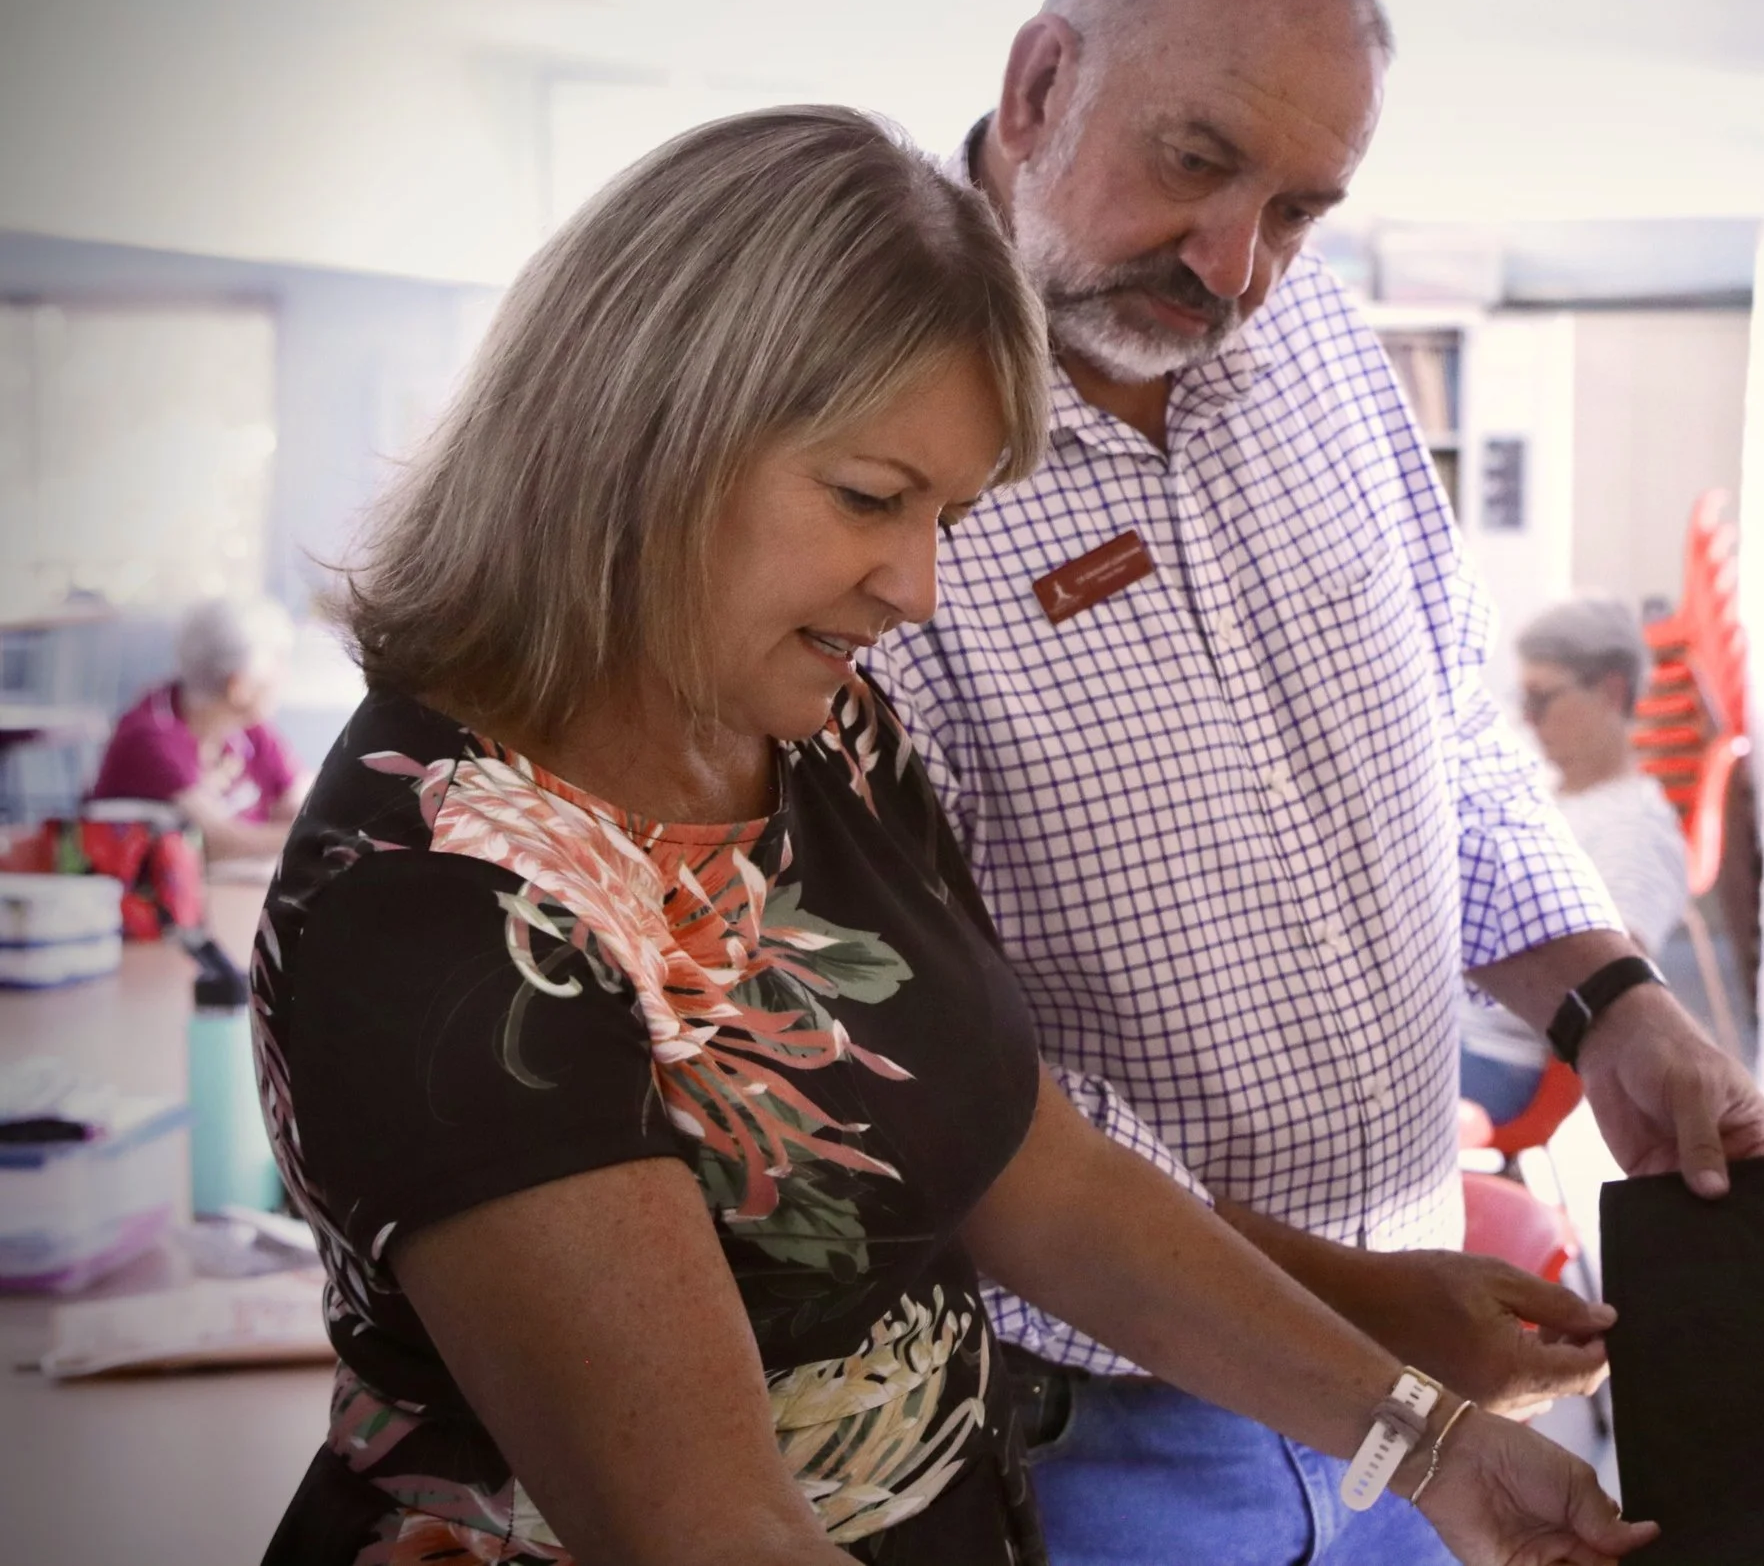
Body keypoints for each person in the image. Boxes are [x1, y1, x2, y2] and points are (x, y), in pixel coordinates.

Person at [252, 107, 1650, 1566]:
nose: (916, 587)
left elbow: (1037, 1172)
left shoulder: (817, 734)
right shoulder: (438, 902)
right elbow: (710, 1528)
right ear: (642, 437)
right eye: (870, 498)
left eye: (950, 517)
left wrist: (1424, 1441)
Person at [867, 0, 1764, 1561]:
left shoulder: (1316, 337)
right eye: (1195, 160)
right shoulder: (872, 451)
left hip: (1420, 1372)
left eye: (1298, 208)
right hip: (1115, 1432)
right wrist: (1359, 1316)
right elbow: (945, 1080)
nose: (1235, 266)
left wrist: (1609, 1000)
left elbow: (1452, 736)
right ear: (1040, 85)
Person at [1459, 599, 1694, 1123]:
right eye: (1524, 698)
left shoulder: (1636, 831)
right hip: (1456, 1034)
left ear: (1610, 692)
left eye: (1542, 698)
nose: (1527, 717)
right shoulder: (1543, 789)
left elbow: (1612, 999)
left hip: (1501, 1061)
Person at [88, 595, 308, 860]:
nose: (285, 676)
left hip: (235, 880)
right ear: (238, 686)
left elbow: (299, 800)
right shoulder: (151, 737)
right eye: (279, 663)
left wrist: (306, 821)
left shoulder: (248, 727)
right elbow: (221, 843)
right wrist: (312, 839)